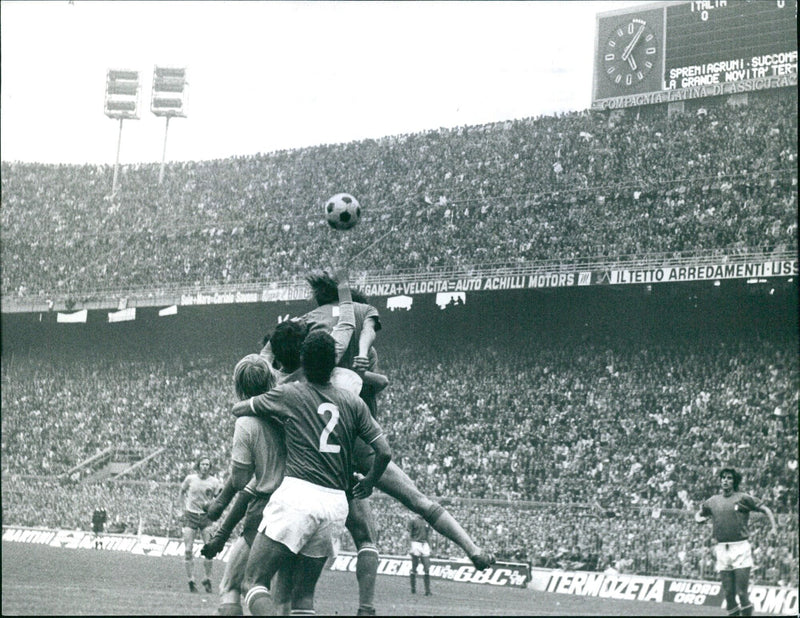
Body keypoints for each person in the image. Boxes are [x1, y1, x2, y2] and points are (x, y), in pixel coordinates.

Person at [301, 272, 495, 573]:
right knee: (408, 506)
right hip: (359, 441)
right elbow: (376, 383)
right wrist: (364, 372)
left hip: (320, 442)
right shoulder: (364, 331)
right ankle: (472, 547)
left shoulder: (312, 329)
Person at [236, 330, 392, 616]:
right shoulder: (353, 403)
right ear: (333, 365)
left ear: (303, 360)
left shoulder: (291, 394)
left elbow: (241, 408)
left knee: (253, 582)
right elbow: (384, 452)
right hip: (335, 505)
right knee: (304, 597)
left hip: (298, 493)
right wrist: (369, 483)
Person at [695, 467, 778, 617]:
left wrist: (773, 528)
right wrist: (698, 519)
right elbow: (699, 514)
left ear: (734, 481)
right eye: (723, 478)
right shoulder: (713, 501)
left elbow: (766, 509)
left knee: (742, 593)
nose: (725, 480)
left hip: (740, 548)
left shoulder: (743, 498)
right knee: (728, 594)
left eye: (729, 478)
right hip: (721, 549)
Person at [179, 456, 223, 593]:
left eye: (207, 464)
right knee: (188, 550)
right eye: (202, 464)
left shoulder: (215, 482)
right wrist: (182, 509)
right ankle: (191, 580)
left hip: (206, 517)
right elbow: (182, 491)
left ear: (210, 467)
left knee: (210, 549)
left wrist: (214, 510)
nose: (204, 467)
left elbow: (219, 499)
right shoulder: (190, 479)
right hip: (191, 515)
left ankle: (207, 579)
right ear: (198, 465)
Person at [407, 514, 432, 596]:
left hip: (424, 544)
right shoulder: (413, 520)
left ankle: (427, 591)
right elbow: (409, 534)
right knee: (415, 566)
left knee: (427, 567)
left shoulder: (427, 521)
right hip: (415, 543)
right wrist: (410, 546)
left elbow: (428, 535)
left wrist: (430, 546)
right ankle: (413, 588)